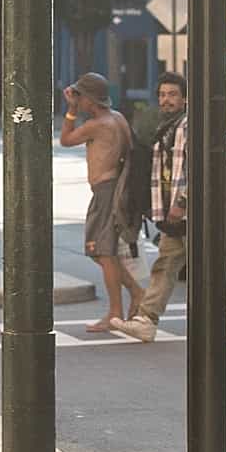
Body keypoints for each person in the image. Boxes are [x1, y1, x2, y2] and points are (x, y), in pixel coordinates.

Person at [112, 71, 226, 343]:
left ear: (185, 99)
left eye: (173, 94)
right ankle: (146, 320)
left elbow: (199, 168)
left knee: (208, 265)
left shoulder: (190, 126)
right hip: (174, 214)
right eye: (162, 95)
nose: (166, 100)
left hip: (196, 211)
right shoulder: (167, 127)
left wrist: (183, 202)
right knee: (166, 264)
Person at [61, 71, 146, 333]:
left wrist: (71, 111)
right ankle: (134, 294)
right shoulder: (118, 118)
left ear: (90, 100)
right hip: (115, 190)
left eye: (81, 98)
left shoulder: (99, 124)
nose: (79, 102)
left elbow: (66, 140)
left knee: (103, 251)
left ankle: (115, 311)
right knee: (101, 252)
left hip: (106, 192)